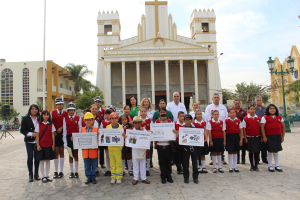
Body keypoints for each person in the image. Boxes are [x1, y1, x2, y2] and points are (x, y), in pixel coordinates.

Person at [261, 104, 285, 172]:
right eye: (270, 108)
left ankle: (277, 165)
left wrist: (283, 136)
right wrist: (264, 136)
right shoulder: (265, 117)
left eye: (273, 108)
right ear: (268, 110)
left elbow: (283, 126)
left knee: (276, 150)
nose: (272, 110)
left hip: (277, 136)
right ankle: (270, 165)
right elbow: (262, 127)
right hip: (269, 136)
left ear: (276, 109)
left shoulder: (279, 117)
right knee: (270, 150)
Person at [205, 93, 228, 165]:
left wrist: (222, 124)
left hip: (221, 127)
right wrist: (212, 122)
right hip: (212, 127)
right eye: (215, 97)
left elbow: (226, 117)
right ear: (212, 99)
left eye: (218, 97)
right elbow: (207, 117)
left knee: (221, 143)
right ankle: (213, 159)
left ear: (219, 98)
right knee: (213, 144)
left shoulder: (223, 107)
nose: (216, 98)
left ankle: (222, 158)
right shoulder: (209, 107)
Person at [176, 114, 199, 184]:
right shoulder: (182, 129)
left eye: (189, 120)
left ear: (191, 121)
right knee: (185, 163)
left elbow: (198, 138)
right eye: (186, 120)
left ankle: (195, 177)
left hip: (193, 148)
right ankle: (186, 177)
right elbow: (180, 138)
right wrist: (177, 133)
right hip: (185, 148)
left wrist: (201, 135)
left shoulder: (195, 129)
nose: (188, 121)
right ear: (184, 121)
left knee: (195, 163)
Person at [21, 104, 41, 182]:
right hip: (29, 141)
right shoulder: (26, 118)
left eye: (35, 109)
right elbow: (22, 130)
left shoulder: (40, 118)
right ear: (30, 110)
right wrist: (31, 134)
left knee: (37, 158)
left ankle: (36, 173)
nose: (34, 110)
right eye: (32, 109)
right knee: (30, 157)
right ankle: (30, 174)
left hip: (38, 141)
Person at [155, 109, 176, 184]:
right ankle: (163, 176)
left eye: (165, 120)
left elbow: (174, 136)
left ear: (167, 120)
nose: (163, 122)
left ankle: (169, 176)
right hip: (160, 146)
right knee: (161, 162)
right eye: (162, 120)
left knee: (168, 162)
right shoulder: (156, 123)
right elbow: (154, 133)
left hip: (168, 146)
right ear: (160, 120)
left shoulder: (170, 123)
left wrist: (175, 133)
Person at [35, 110, 56, 183]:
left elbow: (52, 134)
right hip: (41, 145)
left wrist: (53, 144)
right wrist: (37, 145)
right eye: (45, 115)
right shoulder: (39, 124)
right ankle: (43, 176)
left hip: (49, 144)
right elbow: (37, 135)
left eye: (47, 115)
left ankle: (47, 175)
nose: (46, 116)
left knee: (48, 160)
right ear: (42, 116)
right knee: (42, 161)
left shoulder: (51, 124)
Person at [63, 102, 82, 178]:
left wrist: (78, 137)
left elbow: (80, 129)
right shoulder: (65, 118)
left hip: (76, 137)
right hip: (68, 137)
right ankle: (71, 172)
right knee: (70, 155)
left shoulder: (78, 118)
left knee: (76, 154)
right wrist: (64, 141)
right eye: (69, 110)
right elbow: (64, 130)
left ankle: (76, 172)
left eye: (72, 110)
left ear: (75, 110)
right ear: (68, 111)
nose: (71, 111)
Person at [130, 116, 151, 185]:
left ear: (141, 123)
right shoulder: (131, 131)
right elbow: (130, 140)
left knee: (142, 162)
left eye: (139, 123)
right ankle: (135, 178)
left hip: (142, 148)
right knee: (135, 162)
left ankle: (143, 177)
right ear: (133, 124)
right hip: (135, 148)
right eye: (136, 123)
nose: (137, 124)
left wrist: (146, 132)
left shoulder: (143, 130)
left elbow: (147, 137)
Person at [51, 96, 68, 179]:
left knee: (62, 152)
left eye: (61, 104)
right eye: (58, 104)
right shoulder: (52, 112)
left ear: (63, 104)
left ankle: (61, 171)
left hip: (63, 134)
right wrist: (54, 130)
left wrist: (61, 127)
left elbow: (67, 122)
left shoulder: (66, 113)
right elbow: (50, 123)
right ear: (56, 105)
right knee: (55, 152)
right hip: (55, 134)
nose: (60, 106)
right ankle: (55, 171)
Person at [241, 105, 262, 171]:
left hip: (257, 137)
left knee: (256, 151)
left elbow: (261, 128)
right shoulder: (245, 118)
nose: (252, 110)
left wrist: (261, 136)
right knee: (250, 151)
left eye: (253, 109)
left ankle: (256, 165)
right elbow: (244, 129)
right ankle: (252, 165)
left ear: (255, 110)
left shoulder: (258, 118)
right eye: (251, 109)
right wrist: (245, 138)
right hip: (249, 137)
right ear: (248, 110)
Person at [106, 112, 123, 184]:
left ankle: (118, 177)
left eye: (115, 118)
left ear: (118, 119)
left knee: (118, 162)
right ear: (110, 119)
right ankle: (113, 176)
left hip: (118, 148)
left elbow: (122, 138)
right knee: (112, 163)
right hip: (110, 148)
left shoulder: (120, 127)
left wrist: (123, 135)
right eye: (112, 118)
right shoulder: (108, 127)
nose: (114, 120)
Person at [81, 112, 98, 184]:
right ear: (84, 121)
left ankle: (93, 177)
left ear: (93, 121)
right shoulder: (82, 130)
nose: (89, 122)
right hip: (85, 152)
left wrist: (98, 136)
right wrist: (74, 139)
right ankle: (88, 177)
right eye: (87, 120)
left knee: (94, 165)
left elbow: (99, 140)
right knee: (87, 166)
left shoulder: (96, 129)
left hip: (93, 152)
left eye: (90, 120)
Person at [192, 109, 208, 173]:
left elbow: (205, 131)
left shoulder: (204, 122)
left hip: (203, 140)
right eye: (198, 114)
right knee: (197, 154)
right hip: (197, 141)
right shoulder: (193, 123)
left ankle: (203, 167)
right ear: (195, 115)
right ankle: (198, 166)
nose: (199, 115)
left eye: (200, 114)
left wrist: (206, 139)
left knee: (203, 154)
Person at [255, 95, 268, 164]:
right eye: (257, 100)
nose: (259, 101)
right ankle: (257, 159)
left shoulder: (266, 109)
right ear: (255, 101)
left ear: (262, 101)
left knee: (264, 144)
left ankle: (264, 158)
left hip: (265, 129)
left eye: (260, 100)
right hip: (257, 129)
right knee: (257, 144)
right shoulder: (253, 109)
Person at [140, 106, 152, 176]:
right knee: (142, 154)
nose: (143, 112)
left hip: (147, 139)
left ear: (146, 112)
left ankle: (147, 169)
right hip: (141, 140)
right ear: (140, 112)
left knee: (148, 154)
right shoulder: (138, 120)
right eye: (142, 111)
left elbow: (151, 129)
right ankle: (142, 168)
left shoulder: (149, 120)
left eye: (144, 111)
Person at [233, 99, 247, 164]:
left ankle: (243, 159)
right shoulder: (232, 112)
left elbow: (246, 120)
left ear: (240, 104)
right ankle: (237, 160)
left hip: (242, 130)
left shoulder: (243, 111)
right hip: (235, 131)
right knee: (237, 145)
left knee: (243, 146)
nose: (237, 105)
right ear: (234, 105)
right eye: (236, 104)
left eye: (238, 103)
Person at [100, 109, 112, 176]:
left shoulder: (112, 121)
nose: (107, 115)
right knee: (107, 155)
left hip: (112, 141)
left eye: (109, 114)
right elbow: (101, 130)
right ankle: (108, 169)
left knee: (111, 155)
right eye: (106, 114)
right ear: (104, 115)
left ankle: (112, 168)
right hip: (106, 141)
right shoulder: (103, 122)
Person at [95, 97, 106, 169]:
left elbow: (105, 120)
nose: (97, 103)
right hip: (94, 131)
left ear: (101, 103)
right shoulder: (93, 111)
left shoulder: (103, 111)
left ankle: (102, 163)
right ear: (94, 103)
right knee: (95, 148)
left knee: (101, 148)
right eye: (96, 102)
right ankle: (95, 163)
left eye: (99, 102)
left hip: (101, 131)